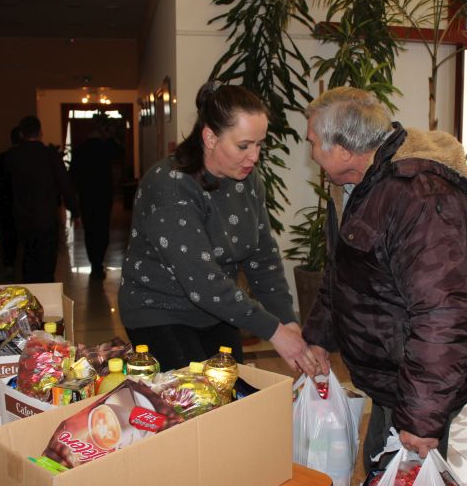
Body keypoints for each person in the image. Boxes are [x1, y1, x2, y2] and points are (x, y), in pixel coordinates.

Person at [300, 87, 467, 467]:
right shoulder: (357, 186)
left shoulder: (420, 197)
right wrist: (319, 338)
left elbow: (445, 313)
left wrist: (421, 415)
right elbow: (344, 272)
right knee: (378, 469)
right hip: (392, 378)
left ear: (344, 150)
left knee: (405, 484)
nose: (312, 152)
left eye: (314, 142)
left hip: (418, 383)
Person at [118, 81, 318, 375]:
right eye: (243, 146)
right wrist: (274, 332)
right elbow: (203, 281)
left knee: (230, 390)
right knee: (196, 397)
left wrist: (287, 321)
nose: (254, 157)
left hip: (216, 310)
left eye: (259, 144)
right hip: (160, 311)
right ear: (210, 137)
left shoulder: (247, 179)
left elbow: (262, 257)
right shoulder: (170, 185)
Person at [5, 115, 80, 283]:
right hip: (46, 218)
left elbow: (5, 189)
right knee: (47, 263)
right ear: (40, 132)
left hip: (22, 219)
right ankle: (46, 293)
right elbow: (65, 185)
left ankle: (31, 292)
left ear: (21, 134)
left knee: (27, 260)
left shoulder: (12, 157)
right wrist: (74, 211)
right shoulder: (50, 156)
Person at [69, 124, 123, 279]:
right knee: (102, 228)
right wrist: (111, 137)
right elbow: (121, 152)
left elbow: (72, 176)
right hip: (103, 195)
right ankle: (98, 261)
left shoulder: (79, 150)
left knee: (90, 230)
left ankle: (94, 262)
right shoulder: (105, 147)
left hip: (86, 196)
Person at [0, 126, 21, 280]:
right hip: (21, 205)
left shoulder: (1, 158)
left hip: (6, 204)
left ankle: (9, 266)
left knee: (8, 237)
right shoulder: (23, 158)